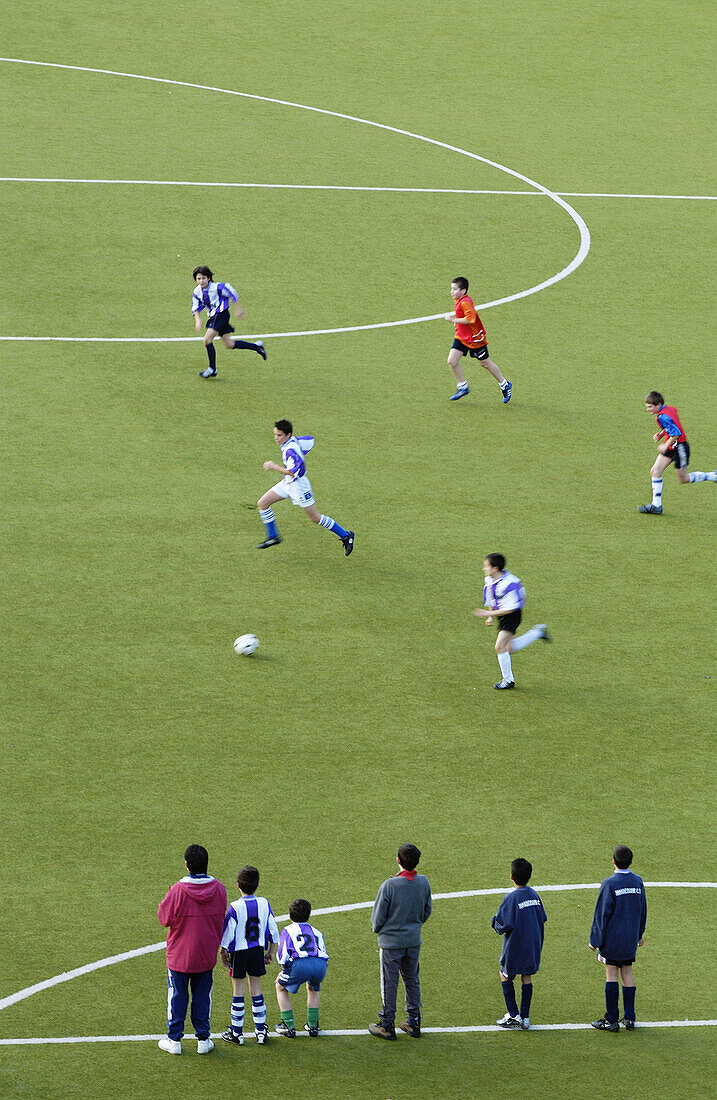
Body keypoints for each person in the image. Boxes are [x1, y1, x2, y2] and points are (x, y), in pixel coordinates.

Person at [157, 844, 227, 1055]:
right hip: (205, 953)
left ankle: (174, 1039)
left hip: (180, 954)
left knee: (177, 996)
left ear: (186, 865)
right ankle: (203, 1039)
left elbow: (164, 918)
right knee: (202, 996)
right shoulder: (219, 889)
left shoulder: (178, 890)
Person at [256, 420, 355, 555]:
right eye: (275, 435)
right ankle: (273, 536)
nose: (276, 438)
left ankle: (346, 536)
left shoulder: (290, 450)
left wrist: (274, 466)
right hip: (287, 483)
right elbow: (309, 442)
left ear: (288, 434)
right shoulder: (293, 442)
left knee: (315, 518)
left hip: (299, 487)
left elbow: (293, 472)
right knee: (262, 504)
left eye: (279, 435)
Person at [368, 843, 432, 1040]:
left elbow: (377, 918)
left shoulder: (389, 885)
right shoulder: (423, 882)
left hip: (391, 943)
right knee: (412, 979)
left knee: (389, 982)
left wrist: (380, 930)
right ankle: (414, 1021)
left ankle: (387, 1024)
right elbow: (426, 911)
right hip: (413, 940)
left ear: (398, 861)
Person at [219, 865, 280, 1046]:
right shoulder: (264, 903)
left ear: (238, 885)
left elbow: (228, 933)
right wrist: (271, 951)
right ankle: (260, 1031)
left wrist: (223, 952)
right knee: (257, 990)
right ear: (257, 884)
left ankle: (237, 1033)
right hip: (256, 951)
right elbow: (273, 929)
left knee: (238, 990)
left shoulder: (234, 907)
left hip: (239, 953)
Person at [589, 845, 647, 1031]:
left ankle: (611, 1019)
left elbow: (602, 914)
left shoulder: (609, 884)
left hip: (612, 939)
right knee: (627, 973)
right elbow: (642, 910)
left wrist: (595, 940)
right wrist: (639, 934)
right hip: (630, 938)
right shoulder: (638, 882)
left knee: (611, 973)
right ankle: (629, 1018)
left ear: (613, 861)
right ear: (631, 861)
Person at [472, 554, 550, 690]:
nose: (484, 569)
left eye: (486, 566)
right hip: (500, 614)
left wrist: (489, 613)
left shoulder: (510, 583)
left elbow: (511, 609)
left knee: (499, 646)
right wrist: (490, 616)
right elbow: (491, 599)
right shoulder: (489, 580)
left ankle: (508, 680)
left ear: (495, 568)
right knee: (509, 648)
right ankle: (537, 633)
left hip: (512, 615)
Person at [490, 858, 547, 1030]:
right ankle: (526, 1017)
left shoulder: (512, 898)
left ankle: (514, 1015)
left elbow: (503, 924)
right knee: (526, 977)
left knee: (505, 975)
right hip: (533, 944)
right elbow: (542, 917)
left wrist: (494, 922)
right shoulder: (534, 895)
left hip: (515, 946)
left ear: (511, 876)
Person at [639, 391, 716, 513]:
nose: (648, 409)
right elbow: (673, 425)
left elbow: (676, 433)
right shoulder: (669, 409)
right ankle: (656, 505)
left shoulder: (661, 417)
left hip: (680, 448)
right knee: (655, 471)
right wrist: (661, 434)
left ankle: (712, 476)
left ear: (658, 405)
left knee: (683, 479)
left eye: (650, 407)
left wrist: (665, 445)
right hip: (672, 446)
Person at [443, 277, 511, 403]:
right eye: (451, 289)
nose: (451, 292)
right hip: (462, 336)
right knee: (452, 361)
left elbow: (470, 319)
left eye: (454, 289)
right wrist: (457, 324)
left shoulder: (465, 302)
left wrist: (453, 320)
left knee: (485, 363)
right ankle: (462, 387)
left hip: (475, 339)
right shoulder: (458, 299)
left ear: (463, 291)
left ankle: (504, 384)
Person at [191, 265, 267, 378]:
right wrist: (198, 320)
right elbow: (195, 307)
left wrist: (238, 309)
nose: (201, 281)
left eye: (203, 278)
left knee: (207, 340)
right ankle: (257, 347)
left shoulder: (218, 287)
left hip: (221, 315)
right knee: (229, 344)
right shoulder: (197, 292)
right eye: (199, 278)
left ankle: (212, 369)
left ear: (209, 278)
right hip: (213, 317)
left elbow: (231, 291)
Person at [274, 898, 330, 1038]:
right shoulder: (316, 931)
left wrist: (284, 969)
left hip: (299, 964)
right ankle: (312, 1025)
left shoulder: (287, 930)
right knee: (313, 989)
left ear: (290, 915)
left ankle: (288, 1025)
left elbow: (282, 956)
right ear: (309, 915)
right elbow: (322, 950)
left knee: (280, 986)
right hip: (320, 964)